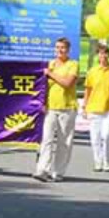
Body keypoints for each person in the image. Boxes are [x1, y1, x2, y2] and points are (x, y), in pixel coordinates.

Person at [33, 37, 78, 182]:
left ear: (68, 50)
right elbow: (43, 86)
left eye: (63, 48)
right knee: (46, 139)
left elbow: (67, 83)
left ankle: (58, 172)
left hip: (67, 107)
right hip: (51, 108)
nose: (60, 50)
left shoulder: (73, 64)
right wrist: (42, 102)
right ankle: (42, 169)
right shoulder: (51, 64)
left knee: (64, 142)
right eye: (57, 47)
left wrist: (50, 74)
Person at [82, 44, 109, 172]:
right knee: (95, 137)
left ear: (108, 55)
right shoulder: (92, 71)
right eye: (101, 53)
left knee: (106, 135)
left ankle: (106, 160)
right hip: (93, 107)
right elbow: (87, 90)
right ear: (97, 56)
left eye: (105, 53)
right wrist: (85, 106)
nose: (103, 56)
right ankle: (97, 161)